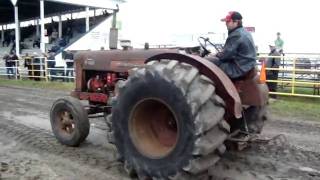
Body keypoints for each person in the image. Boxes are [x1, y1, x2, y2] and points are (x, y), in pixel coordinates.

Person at [207, 11, 257, 79]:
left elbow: (225, 55)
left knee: (209, 61)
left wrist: (215, 55)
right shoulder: (246, 32)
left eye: (228, 21)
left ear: (236, 22)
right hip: (247, 65)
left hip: (238, 69)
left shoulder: (236, 34)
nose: (226, 24)